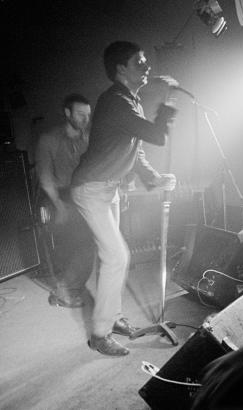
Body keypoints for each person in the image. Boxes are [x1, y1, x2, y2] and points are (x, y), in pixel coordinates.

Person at [71, 41, 178, 356]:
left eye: (146, 61)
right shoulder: (115, 101)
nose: (147, 67)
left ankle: (114, 317)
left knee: (111, 258)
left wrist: (153, 178)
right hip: (91, 188)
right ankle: (99, 334)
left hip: (108, 188)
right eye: (140, 62)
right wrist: (168, 99)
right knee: (118, 256)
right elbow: (157, 136)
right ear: (121, 69)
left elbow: (138, 150)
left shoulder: (129, 102)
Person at [35, 93, 95, 308]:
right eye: (80, 114)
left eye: (88, 115)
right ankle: (63, 291)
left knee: (89, 244)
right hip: (59, 198)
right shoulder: (48, 139)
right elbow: (45, 177)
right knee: (84, 243)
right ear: (67, 113)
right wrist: (59, 206)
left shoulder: (87, 139)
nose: (85, 119)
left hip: (83, 196)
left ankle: (69, 288)